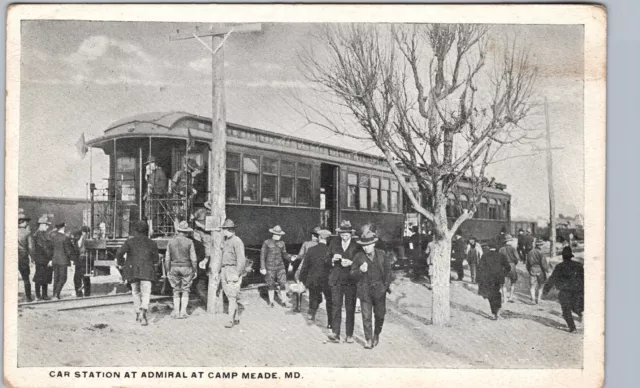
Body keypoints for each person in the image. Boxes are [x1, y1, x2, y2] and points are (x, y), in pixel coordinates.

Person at [350, 231, 394, 349]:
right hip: (365, 290)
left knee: (380, 315)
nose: (365, 248)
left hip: (379, 291)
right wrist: (360, 270)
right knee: (366, 316)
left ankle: (376, 334)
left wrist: (385, 286)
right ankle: (368, 339)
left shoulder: (382, 254)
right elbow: (352, 273)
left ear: (374, 244)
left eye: (368, 245)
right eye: (364, 245)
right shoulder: (359, 256)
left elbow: (388, 272)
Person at [116, 220, 160, 326]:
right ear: (147, 230)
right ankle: (143, 313)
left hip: (132, 271)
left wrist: (121, 263)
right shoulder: (152, 243)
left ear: (135, 230)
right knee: (146, 293)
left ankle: (137, 313)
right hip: (147, 271)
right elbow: (156, 259)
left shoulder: (129, 242)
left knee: (135, 292)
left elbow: (119, 252)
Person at [326, 220, 360, 344]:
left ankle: (349, 335)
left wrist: (352, 263)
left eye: (346, 235)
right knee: (336, 306)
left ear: (351, 234)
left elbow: (361, 261)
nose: (344, 237)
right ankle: (335, 333)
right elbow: (326, 258)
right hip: (336, 279)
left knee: (350, 308)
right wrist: (332, 260)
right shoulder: (334, 243)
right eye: (342, 235)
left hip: (351, 280)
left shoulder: (357, 245)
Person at [543, 247, 584, 333]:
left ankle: (573, 328)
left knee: (566, 310)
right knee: (576, 306)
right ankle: (581, 314)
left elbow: (552, 278)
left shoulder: (559, 266)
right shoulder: (579, 266)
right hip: (577, 290)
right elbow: (583, 278)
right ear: (571, 256)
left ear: (563, 257)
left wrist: (546, 289)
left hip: (564, 291)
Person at [298, 229, 333, 325]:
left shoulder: (311, 250)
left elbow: (305, 266)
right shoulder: (331, 251)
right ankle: (330, 323)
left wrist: (302, 280)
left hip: (313, 279)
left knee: (313, 297)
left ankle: (311, 315)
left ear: (319, 238)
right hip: (327, 280)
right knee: (330, 301)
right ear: (328, 239)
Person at [165, 221, 198, 319]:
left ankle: (176, 312)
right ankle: (183, 312)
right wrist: (194, 270)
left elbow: (167, 258)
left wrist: (167, 270)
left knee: (175, 290)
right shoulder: (190, 242)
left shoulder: (170, 242)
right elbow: (194, 258)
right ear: (186, 232)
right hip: (187, 267)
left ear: (178, 231)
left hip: (174, 267)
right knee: (186, 289)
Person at [218, 219, 246, 328]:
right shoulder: (226, 241)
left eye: (224, 229)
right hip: (225, 270)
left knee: (232, 296)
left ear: (229, 230)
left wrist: (237, 273)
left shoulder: (237, 241)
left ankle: (230, 320)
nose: (223, 231)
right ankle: (236, 316)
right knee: (230, 295)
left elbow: (241, 260)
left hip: (232, 270)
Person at [260, 225, 295, 308]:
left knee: (283, 284)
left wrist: (291, 258)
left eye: (280, 235)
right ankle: (271, 302)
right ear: (273, 234)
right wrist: (262, 267)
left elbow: (284, 254)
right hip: (270, 267)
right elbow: (262, 256)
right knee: (270, 284)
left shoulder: (282, 243)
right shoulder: (266, 242)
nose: (280, 236)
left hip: (280, 267)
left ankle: (284, 301)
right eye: (278, 235)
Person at [289, 226, 321, 312]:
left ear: (312, 235)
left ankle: (298, 307)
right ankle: (313, 307)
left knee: (299, 282)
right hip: (315, 268)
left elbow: (300, 256)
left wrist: (295, 257)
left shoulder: (306, 244)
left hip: (304, 267)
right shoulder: (321, 245)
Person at [477, 242, 511, 320]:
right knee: (497, 293)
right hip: (498, 278)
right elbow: (508, 267)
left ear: (489, 247)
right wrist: (504, 274)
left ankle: (493, 312)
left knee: (490, 295)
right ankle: (498, 311)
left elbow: (480, 268)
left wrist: (480, 278)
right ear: (497, 248)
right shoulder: (501, 256)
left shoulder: (485, 256)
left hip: (488, 279)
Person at [32, 215, 54, 300]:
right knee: (40, 277)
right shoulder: (38, 235)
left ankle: (42, 295)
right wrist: (50, 259)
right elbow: (45, 248)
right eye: (46, 225)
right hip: (43, 259)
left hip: (41, 259)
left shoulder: (41, 234)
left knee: (44, 277)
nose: (48, 227)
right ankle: (39, 295)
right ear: (41, 225)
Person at [51, 222, 74, 300]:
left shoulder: (53, 237)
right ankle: (56, 294)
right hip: (63, 260)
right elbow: (68, 251)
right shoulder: (65, 238)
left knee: (56, 278)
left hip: (54, 260)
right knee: (63, 278)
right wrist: (72, 258)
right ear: (63, 228)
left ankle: (54, 294)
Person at [18, 209, 35, 302]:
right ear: (23, 222)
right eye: (27, 222)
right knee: (26, 278)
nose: (28, 223)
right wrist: (32, 258)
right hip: (23, 257)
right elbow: (31, 247)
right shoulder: (27, 233)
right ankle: (28, 297)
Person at [526, 240, 550, 304]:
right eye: (542, 245)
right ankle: (539, 299)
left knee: (532, 286)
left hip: (532, 270)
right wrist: (547, 270)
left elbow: (527, 263)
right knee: (541, 285)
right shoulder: (541, 253)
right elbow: (543, 264)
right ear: (540, 246)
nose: (542, 246)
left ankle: (533, 300)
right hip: (540, 270)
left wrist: (529, 270)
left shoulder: (530, 252)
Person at [499, 234, 520, 302]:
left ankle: (504, 298)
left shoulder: (501, 249)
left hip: (504, 267)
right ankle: (510, 297)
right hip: (512, 266)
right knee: (513, 282)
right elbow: (517, 258)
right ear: (509, 241)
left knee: (504, 283)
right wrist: (514, 263)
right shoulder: (513, 249)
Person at [71, 227, 92, 297]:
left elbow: (81, 249)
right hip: (84, 258)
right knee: (85, 276)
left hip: (82, 258)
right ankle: (86, 292)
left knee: (78, 277)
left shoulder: (84, 238)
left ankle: (79, 292)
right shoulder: (85, 238)